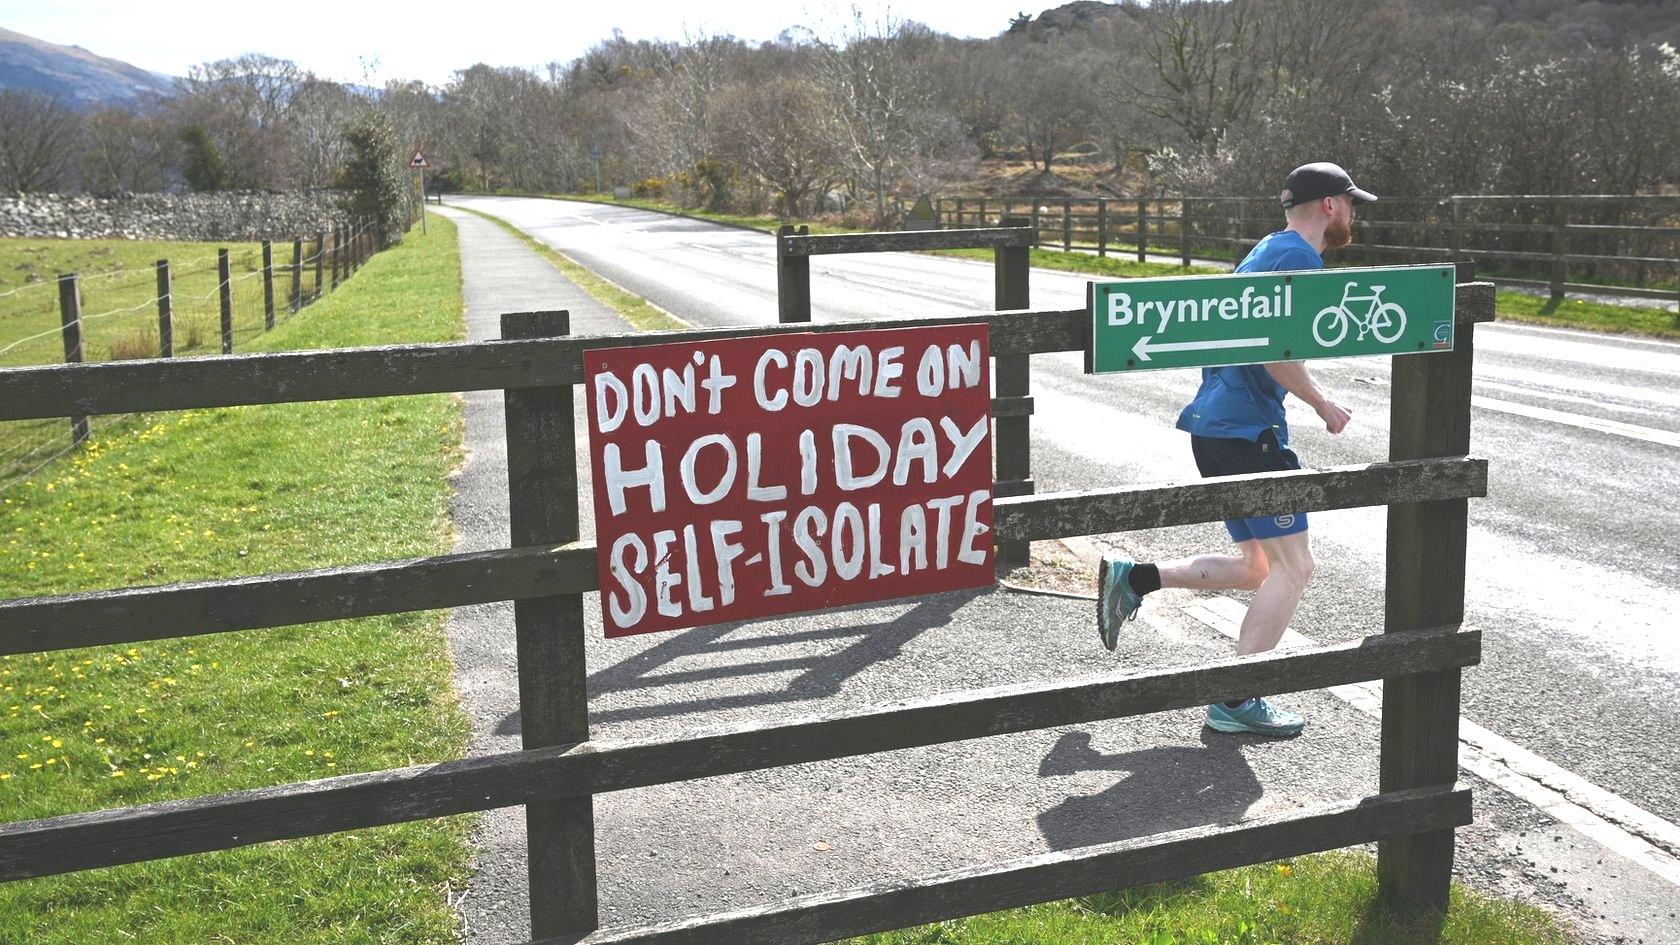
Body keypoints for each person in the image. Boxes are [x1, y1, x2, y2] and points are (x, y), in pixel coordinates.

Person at [1097, 162, 1375, 738]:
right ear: (1329, 205)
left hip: (1216, 428)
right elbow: (1273, 348)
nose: (1354, 213)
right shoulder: (1299, 257)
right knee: (1297, 569)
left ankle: (1135, 578)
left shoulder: (1266, 249)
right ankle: (1237, 699)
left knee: (1258, 567)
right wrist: (1323, 404)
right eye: (1351, 203)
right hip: (1251, 433)